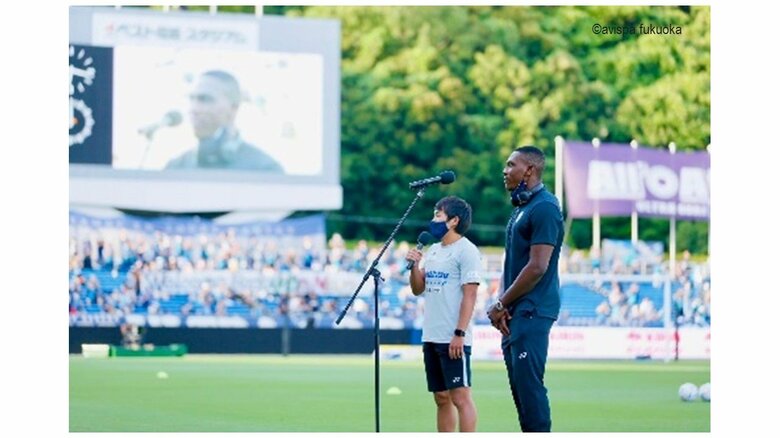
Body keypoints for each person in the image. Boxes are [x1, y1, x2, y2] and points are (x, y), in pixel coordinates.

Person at [486, 145, 564, 432]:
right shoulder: (523, 208)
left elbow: (537, 267)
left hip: (533, 309)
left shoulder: (544, 207)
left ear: (529, 170)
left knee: (530, 390)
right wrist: (504, 304)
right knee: (520, 392)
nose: (504, 171)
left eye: (511, 165)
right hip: (516, 311)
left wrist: (499, 304)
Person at [405, 196, 482, 432]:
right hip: (431, 334)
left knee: (461, 397)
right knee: (441, 396)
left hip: (453, 337)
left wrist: (459, 333)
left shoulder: (467, 251)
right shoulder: (434, 250)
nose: (433, 220)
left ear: (454, 220)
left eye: (438, 215)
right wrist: (415, 267)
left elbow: (470, 295)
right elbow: (418, 289)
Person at [165, 70, 284, 172]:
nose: (194, 109)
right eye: (192, 99)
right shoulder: (175, 166)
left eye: (205, 99)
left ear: (233, 108)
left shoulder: (265, 168)